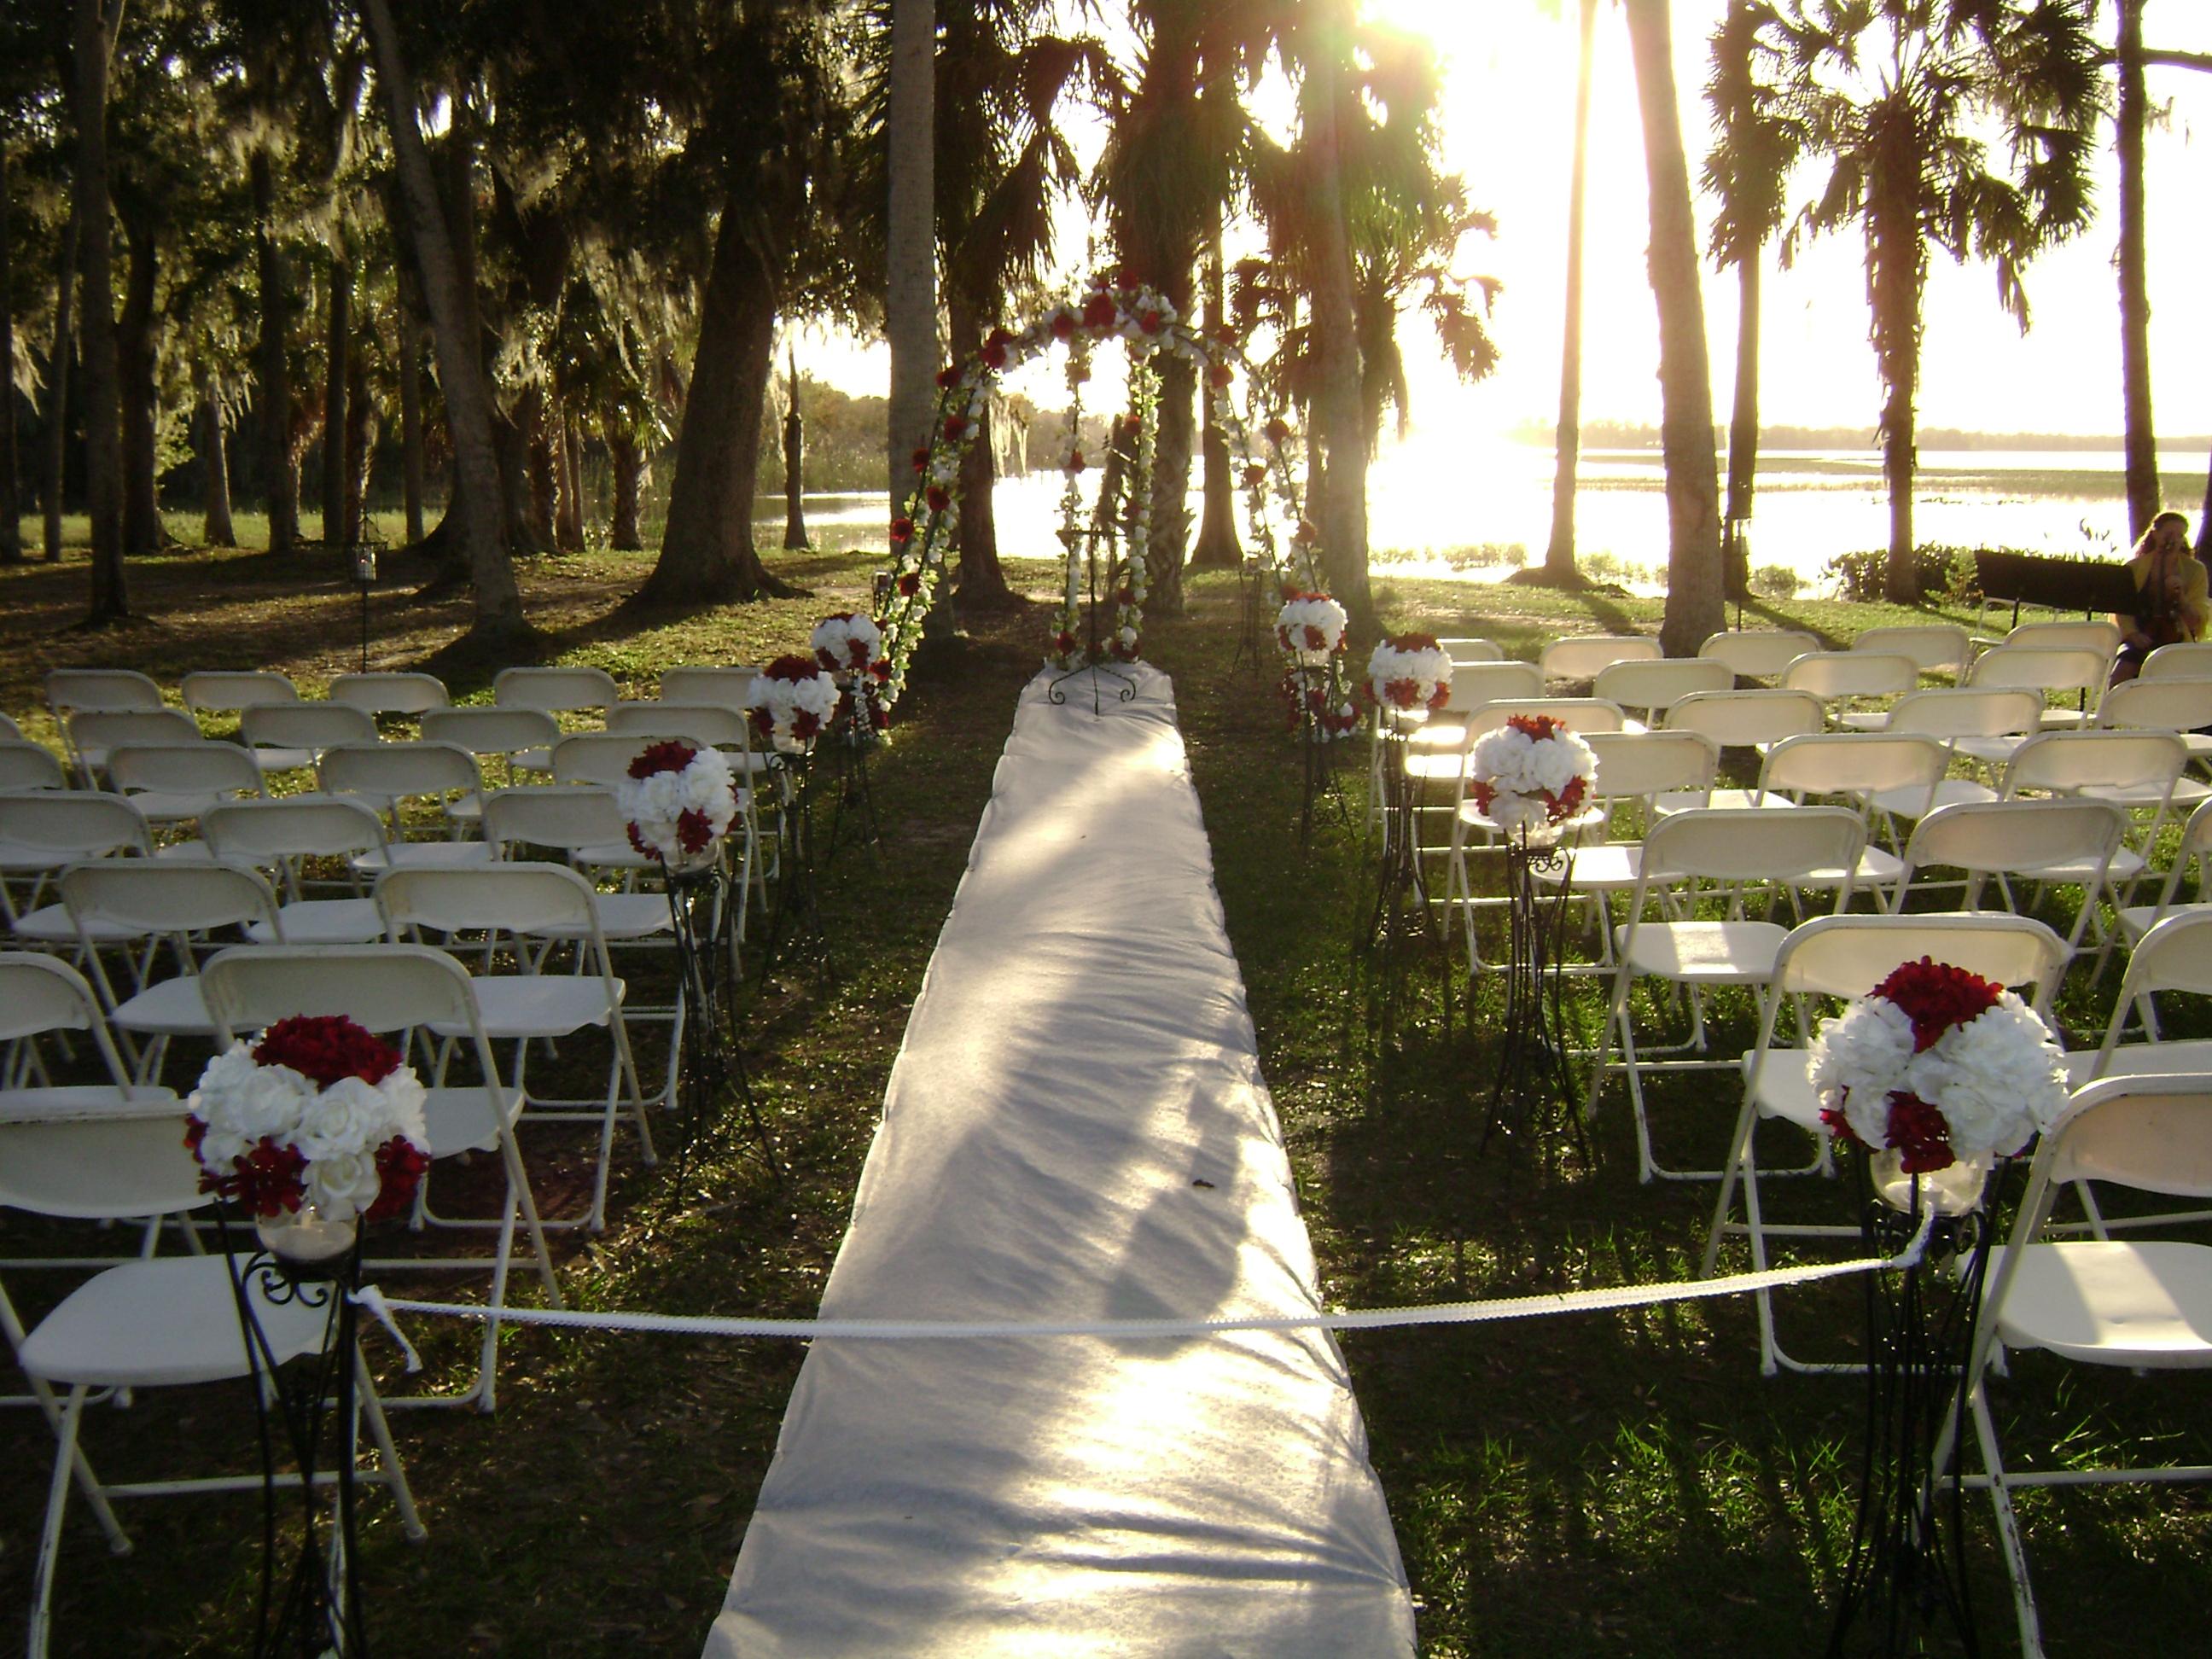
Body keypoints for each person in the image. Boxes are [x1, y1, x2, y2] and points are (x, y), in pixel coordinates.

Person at [2111, 510, 2206, 684]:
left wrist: (2181, 597)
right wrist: (2133, 634)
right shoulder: (2134, 568)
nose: (2174, 540)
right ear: (2155, 534)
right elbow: (2121, 610)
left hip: (2176, 636)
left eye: (2180, 535)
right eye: (2169, 534)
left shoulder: (2195, 570)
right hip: (2140, 634)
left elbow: (2197, 621)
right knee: (2122, 672)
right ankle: (2115, 708)